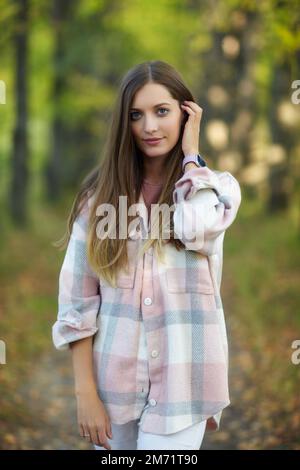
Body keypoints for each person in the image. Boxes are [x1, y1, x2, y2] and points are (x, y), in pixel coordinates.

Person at [52, 60, 242, 451]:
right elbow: (78, 303)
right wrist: (84, 393)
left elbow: (195, 228)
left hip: (184, 386)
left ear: (186, 113)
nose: (149, 127)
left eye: (162, 111)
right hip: (112, 390)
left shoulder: (215, 191)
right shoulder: (99, 200)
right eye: (136, 115)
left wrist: (192, 156)